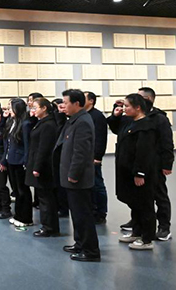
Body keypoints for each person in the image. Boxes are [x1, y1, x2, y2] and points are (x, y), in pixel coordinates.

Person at [108, 94, 158, 250]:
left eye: (127, 106)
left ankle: (147, 238)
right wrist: (115, 115)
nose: (124, 109)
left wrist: (140, 173)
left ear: (138, 107)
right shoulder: (129, 122)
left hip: (139, 173)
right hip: (126, 171)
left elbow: (144, 153)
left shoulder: (146, 126)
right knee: (135, 204)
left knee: (144, 205)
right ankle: (137, 232)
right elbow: (116, 129)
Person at [59, 89, 100, 262]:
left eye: (66, 102)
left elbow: (81, 152)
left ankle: (90, 251)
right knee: (76, 214)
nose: (63, 105)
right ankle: (80, 243)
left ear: (76, 103)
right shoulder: (74, 119)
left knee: (83, 215)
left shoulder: (82, 122)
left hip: (78, 179)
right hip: (72, 177)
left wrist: (74, 174)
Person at [136, 87, 174, 241]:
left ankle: (164, 227)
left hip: (155, 164)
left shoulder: (160, 118)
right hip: (140, 164)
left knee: (159, 195)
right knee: (140, 196)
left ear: (148, 99)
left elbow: (167, 142)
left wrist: (167, 164)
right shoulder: (138, 116)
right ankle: (139, 225)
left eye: (139, 97)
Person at [26, 98, 60, 237]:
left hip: (44, 167)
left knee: (46, 199)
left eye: (35, 108)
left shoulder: (48, 125)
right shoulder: (41, 122)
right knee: (43, 197)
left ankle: (49, 227)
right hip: (38, 163)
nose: (33, 110)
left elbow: (44, 149)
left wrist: (37, 167)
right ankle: (47, 225)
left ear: (44, 108)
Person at [5, 98, 33, 227]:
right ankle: (18, 215)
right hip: (11, 159)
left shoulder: (25, 124)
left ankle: (26, 218)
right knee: (16, 190)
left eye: (11, 108)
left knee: (23, 190)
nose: (9, 110)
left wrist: (26, 162)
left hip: (20, 161)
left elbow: (27, 145)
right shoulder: (12, 122)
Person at [84, 91, 109, 224]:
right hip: (85, 156)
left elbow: (101, 138)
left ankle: (101, 212)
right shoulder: (83, 115)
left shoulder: (97, 116)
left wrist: (98, 156)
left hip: (93, 157)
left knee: (97, 184)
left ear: (91, 101)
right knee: (89, 185)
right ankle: (92, 209)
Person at [52, 98, 69, 217]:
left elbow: (60, 127)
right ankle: (59, 206)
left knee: (61, 184)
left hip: (61, 156)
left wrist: (60, 114)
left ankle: (63, 208)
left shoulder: (68, 121)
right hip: (56, 155)